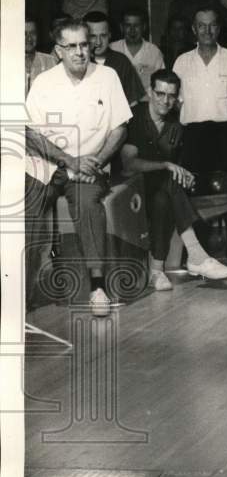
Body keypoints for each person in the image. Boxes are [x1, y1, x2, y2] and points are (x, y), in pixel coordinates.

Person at [24, 18, 132, 316]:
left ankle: (97, 288)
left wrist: (96, 161)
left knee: (87, 205)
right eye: (71, 46)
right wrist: (69, 160)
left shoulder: (107, 76)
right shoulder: (44, 82)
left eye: (84, 44)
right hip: (48, 166)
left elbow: (120, 128)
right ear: (58, 51)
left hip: (92, 168)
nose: (80, 52)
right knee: (27, 212)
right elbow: (31, 133)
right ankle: (21, 296)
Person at [120, 70, 227, 290]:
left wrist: (186, 176)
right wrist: (166, 166)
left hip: (161, 190)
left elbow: (177, 165)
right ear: (150, 92)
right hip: (131, 189)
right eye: (160, 94)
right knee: (167, 181)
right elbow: (129, 164)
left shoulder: (176, 124)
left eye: (171, 96)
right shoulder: (135, 117)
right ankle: (196, 254)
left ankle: (157, 272)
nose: (165, 101)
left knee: (164, 197)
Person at [172, 6, 227, 270]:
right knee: (196, 195)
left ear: (219, 28)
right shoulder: (182, 62)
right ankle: (201, 256)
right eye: (201, 25)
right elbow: (175, 104)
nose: (207, 31)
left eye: (212, 25)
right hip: (194, 136)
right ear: (194, 29)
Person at [84, 11, 146, 107]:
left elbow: (133, 103)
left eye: (103, 36)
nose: (98, 42)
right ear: (84, 37)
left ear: (109, 35)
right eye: (93, 36)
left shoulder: (121, 62)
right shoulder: (77, 62)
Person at [111, 7, 165, 91]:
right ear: (122, 27)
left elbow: (162, 82)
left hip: (146, 101)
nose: (132, 30)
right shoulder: (112, 49)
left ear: (144, 27)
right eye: (128, 25)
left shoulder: (154, 52)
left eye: (136, 25)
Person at [25, 15, 57, 92]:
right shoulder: (6, 63)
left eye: (33, 33)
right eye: (24, 33)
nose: (29, 38)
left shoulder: (51, 62)